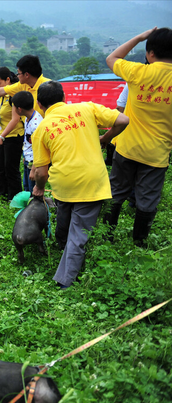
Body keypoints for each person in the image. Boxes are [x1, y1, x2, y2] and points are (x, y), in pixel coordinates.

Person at [32, 81, 128, 289]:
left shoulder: (41, 128)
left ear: (39, 104)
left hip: (63, 184)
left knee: (65, 222)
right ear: (64, 97)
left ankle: (64, 269)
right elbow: (123, 119)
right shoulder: (87, 108)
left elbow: (41, 171)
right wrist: (106, 138)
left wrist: (39, 187)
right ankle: (67, 273)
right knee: (79, 232)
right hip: (92, 182)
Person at [103, 27, 172, 245]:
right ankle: (139, 242)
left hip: (127, 146)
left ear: (150, 53)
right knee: (147, 199)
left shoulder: (138, 72)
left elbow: (112, 57)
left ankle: (107, 236)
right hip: (157, 153)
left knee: (116, 192)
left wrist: (140, 37)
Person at [0, 55, 51, 120]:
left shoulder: (48, 87)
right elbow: (1, 91)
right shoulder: (23, 85)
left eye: (19, 73)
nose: (17, 76)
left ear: (27, 75)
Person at [0, 67, 25, 201]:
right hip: (3, 136)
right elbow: (5, 114)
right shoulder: (2, 96)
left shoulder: (14, 96)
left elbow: (15, 119)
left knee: (11, 169)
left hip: (13, 136)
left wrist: (2, 136)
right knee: (0, 168)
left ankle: (14, 198)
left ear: (8, 80)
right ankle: (1, 194)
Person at [10, 91, 42, 193]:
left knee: (33, 189)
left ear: (19, 109)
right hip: (28, 158)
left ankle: (35, 207)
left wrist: (33, 169)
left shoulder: (36, 124)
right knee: (27, 187)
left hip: (34, 162)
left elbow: (39, 149)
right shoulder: (28, 118)